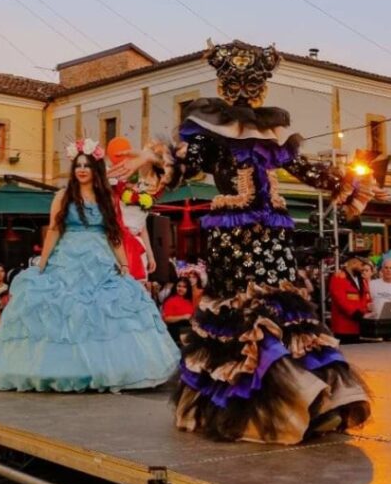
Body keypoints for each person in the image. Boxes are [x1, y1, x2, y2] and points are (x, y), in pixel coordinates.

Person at [110, 41, 376, 443]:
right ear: (225, 84)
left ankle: (307, 399)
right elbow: (187, 160)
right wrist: (152, 159)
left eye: (250, 84)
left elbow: (305, 168)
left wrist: (351, 183)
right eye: (237, 83)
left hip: (271, 233)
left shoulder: (272, 132)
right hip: (235, 235)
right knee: (245, 310)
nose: (244, 92)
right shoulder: (211, 128)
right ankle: (274, 406)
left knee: (281, 308)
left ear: (261, 87)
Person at [0, 141, 179, 393]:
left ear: (95, 169)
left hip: (100, 259)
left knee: (104, 313)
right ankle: (62, 369)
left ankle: (103, 368)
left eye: (87, 165)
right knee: (64, 313)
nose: (82, 169)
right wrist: (43, 261)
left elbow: (113, 233)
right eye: (78, 166)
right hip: (67, 258)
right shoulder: (63, 196)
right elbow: (53, 230)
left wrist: (124, 263)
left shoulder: (105, 198)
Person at [329, 258, 370, 344]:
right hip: (344, 327)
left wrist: (367, 310)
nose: (363, 268)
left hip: (359, 326)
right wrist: (355, 313)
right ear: (354, 263)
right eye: (361, 265)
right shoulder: (339, 277)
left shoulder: (362, 279)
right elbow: (340, 300)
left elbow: (365, 298)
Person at [161, 276, 194, 344]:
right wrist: (184, 316)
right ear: (175, 287)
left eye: (184, 287)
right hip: (175, 332)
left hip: (188, 333)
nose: (181, 289)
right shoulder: (170, 300)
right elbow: (166, 319)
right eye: (179, 286)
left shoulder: (189, 301)